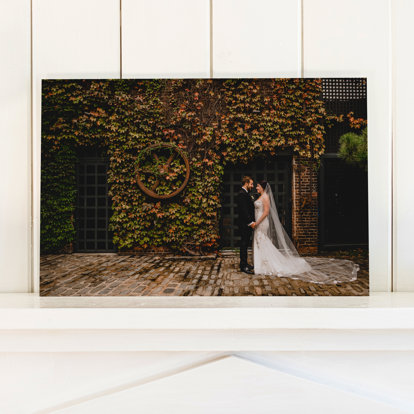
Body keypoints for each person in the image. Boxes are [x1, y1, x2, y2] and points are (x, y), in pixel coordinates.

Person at [252, 180, 359, 284]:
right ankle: (261, 263)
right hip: (258, 221)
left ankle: (266, 263)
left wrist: (257, 223)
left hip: (262, 223)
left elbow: (266, 212)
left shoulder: (265, 197)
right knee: (261, 241)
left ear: (262, 187)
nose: (256, 188)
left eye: (257, 186)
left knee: (262, 240)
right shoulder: (260, 196)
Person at [236, 176, 255, 274]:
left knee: (245, 244)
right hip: (244, 224)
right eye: (251, 184)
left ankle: (245, 263)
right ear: (246, 183)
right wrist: (250, 222)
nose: (252, 186)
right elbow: (244, 211)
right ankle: (243, 266)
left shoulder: (246, 193)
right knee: (243, 245)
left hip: (246, 224)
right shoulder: (241, 194)